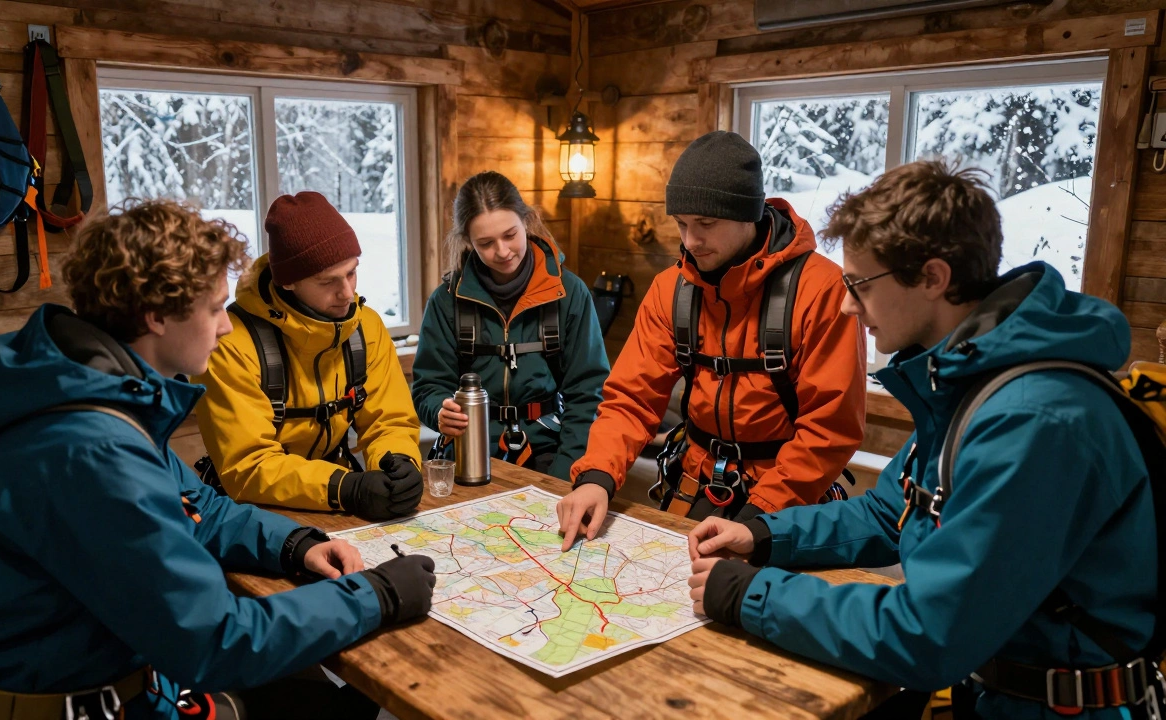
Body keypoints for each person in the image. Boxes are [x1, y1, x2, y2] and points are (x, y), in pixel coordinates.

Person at [686, 160, 1157, 719]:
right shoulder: (965, 380)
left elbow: (931, 633)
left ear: (933, 278)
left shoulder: (1035, 420)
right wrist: (762, 535)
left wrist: (752, 595)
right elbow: (890, 513)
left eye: (859, 285)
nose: (846, 305)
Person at [0, 200, 436, 720]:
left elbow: (200, 508)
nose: (226, 327)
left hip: (117, 678)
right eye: (215, 309)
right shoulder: (92, 450)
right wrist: (375, 595)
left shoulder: (107, 398)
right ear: (157, 316)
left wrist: (296, 544)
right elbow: (215, 641)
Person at [557, 131, 867, 549]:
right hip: (695, 482)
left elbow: (828, 429)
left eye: (706, 224)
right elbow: (632, 399)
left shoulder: (822, 291)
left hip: (789, 494)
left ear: (748, 215)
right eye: (681, 224)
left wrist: (756, 521)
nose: (690, 241)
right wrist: (596, 477)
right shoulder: (672, 289)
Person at [194, 191, 424, 518]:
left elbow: (389, 421)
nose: (347, 293)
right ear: (288, 283)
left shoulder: (366, 328)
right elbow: (248, 466)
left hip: (337, 500)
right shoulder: (229, 344)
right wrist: (345, 488)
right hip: (252, 513)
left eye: (351, 272)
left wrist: (399, 461)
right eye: (327, 282)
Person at [410, 171, 610, 480]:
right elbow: (428, 386)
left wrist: (563, 474)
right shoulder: (445, 301)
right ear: (468, 242)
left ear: (526, 222)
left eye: (510, 235)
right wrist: (439, 410)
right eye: (486, 243)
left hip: (550, 452)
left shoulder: (569, 293)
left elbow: (587, 394)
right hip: (468, 454)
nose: (502, 251)